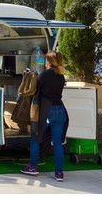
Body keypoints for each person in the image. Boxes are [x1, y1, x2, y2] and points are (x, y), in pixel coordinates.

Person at [20, 51, 69, 182]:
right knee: (58, 143)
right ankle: (59, 173)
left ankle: (32, 167)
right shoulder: (61, 76)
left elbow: (34, 90)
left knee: (35, 138)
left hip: (47, 111)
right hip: (61, 111)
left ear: (48, 61)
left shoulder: (45, 74)